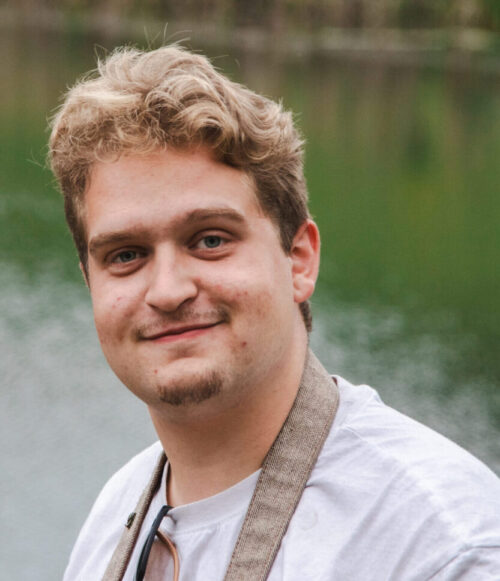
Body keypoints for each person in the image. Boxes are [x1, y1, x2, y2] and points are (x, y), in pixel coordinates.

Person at [49, 45, 500, 581]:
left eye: (210, 239)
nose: (167, 291)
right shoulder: (114, 516)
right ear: (90, 280)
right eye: (125, 255)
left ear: (299, 260)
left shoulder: (439, 544)